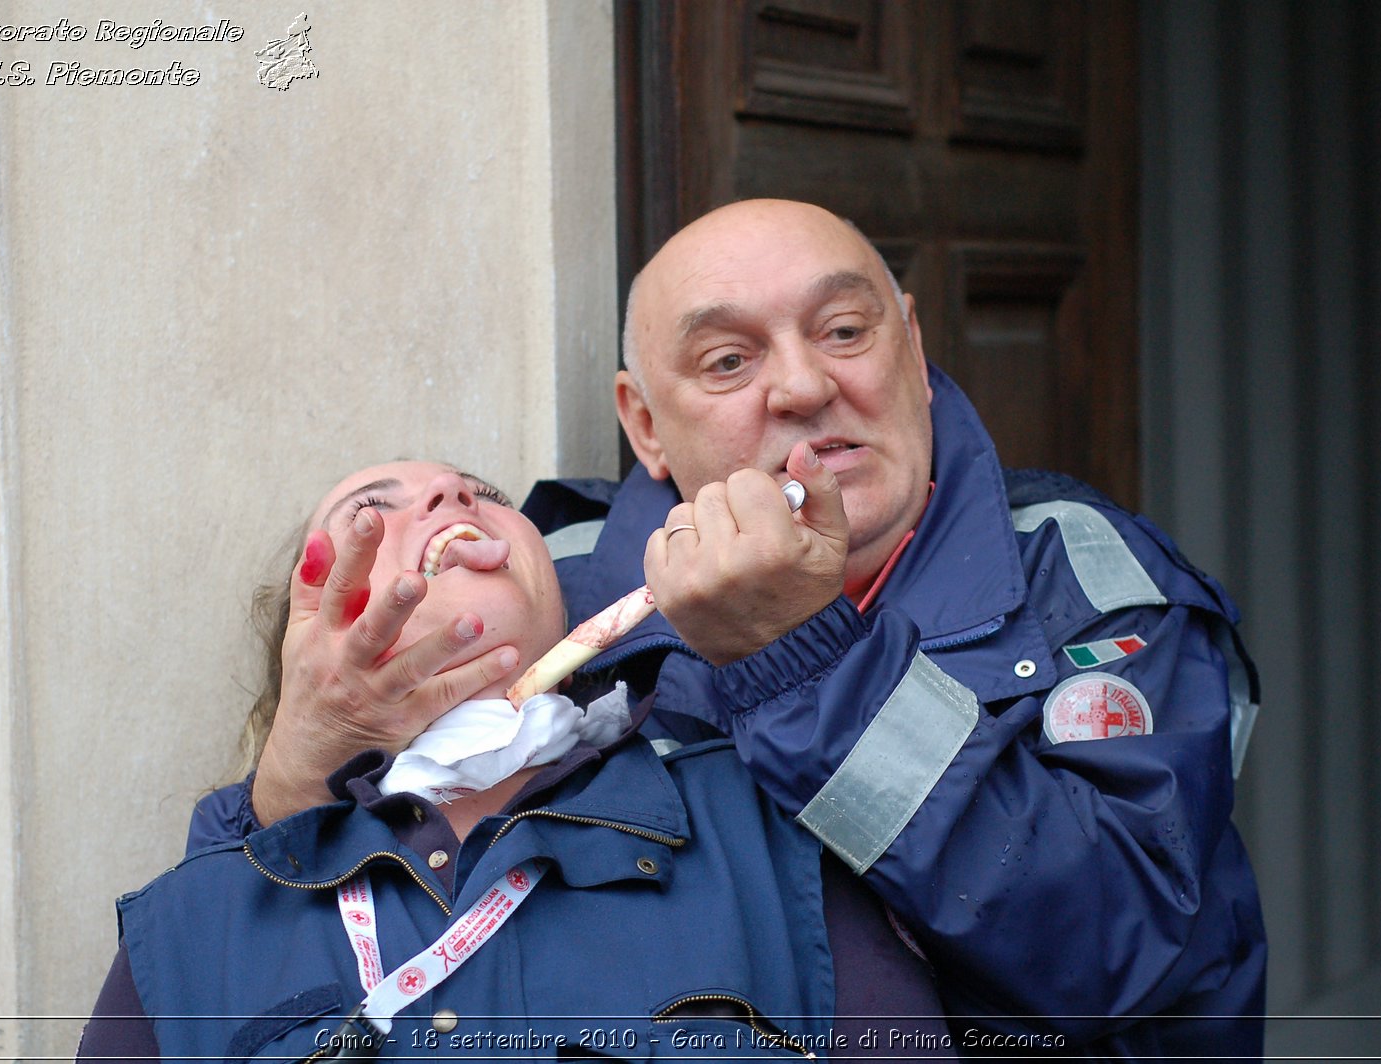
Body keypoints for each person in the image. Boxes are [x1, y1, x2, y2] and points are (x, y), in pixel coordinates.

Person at [195, 200, 1268, 1058]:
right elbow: (268, 939)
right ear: (644, 424)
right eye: (726, 362)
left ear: (913, 345)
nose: (805, 386)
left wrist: (801, 658)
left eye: (844, 331)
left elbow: (1120, 952)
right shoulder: (546, 582)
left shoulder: (1092, 586)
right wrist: (295, 763)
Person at [81, 460, 862, 1062]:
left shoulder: (757, 820)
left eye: (482, 491)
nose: (453, 497)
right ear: (305, 645)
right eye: (372, 512)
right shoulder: (193, 923)